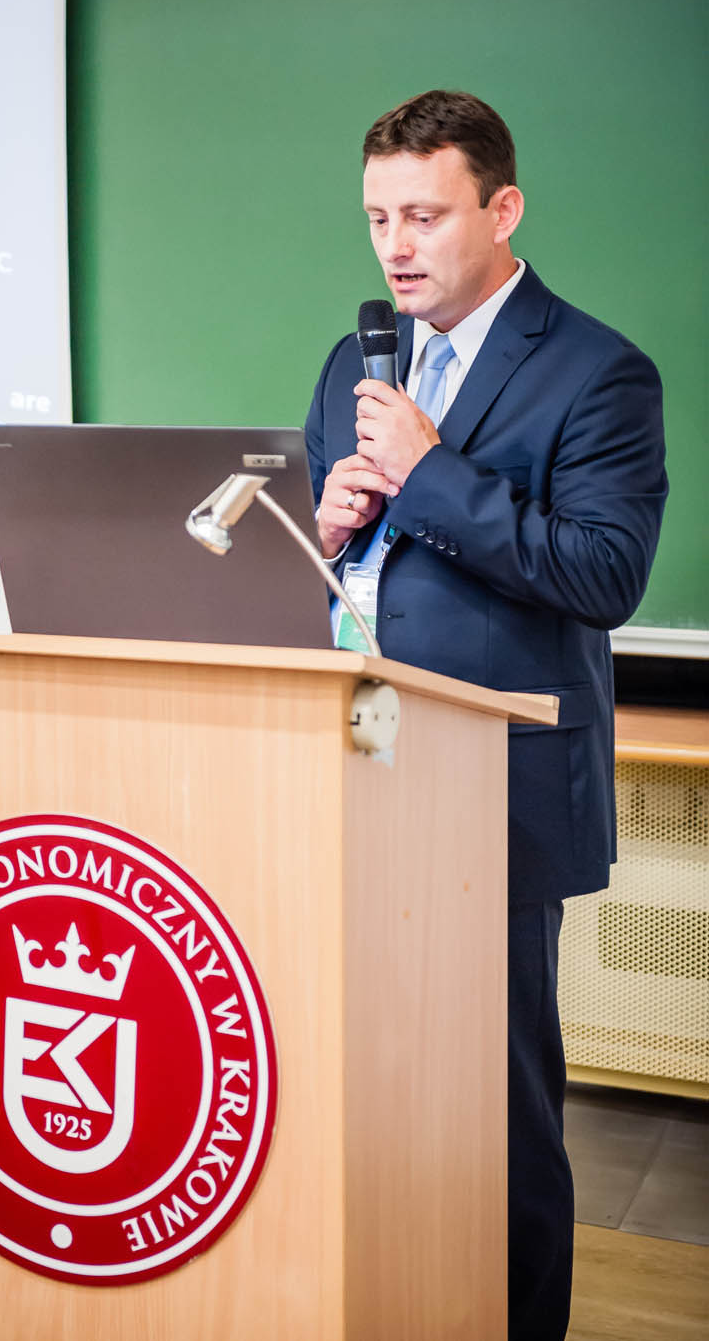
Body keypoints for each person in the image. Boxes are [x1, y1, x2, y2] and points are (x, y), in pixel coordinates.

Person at [304, 90, 667, 1341]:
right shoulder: (353, 361)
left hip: (492, 783)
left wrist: (428, 472)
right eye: (376, 218)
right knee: (365, 1088)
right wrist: (328, 529)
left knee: (497, 1110)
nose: (394, 247)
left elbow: (604, 574)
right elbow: (342, 575)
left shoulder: (598, 371)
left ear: (501, 209)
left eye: (423, 215)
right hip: (349, 766)